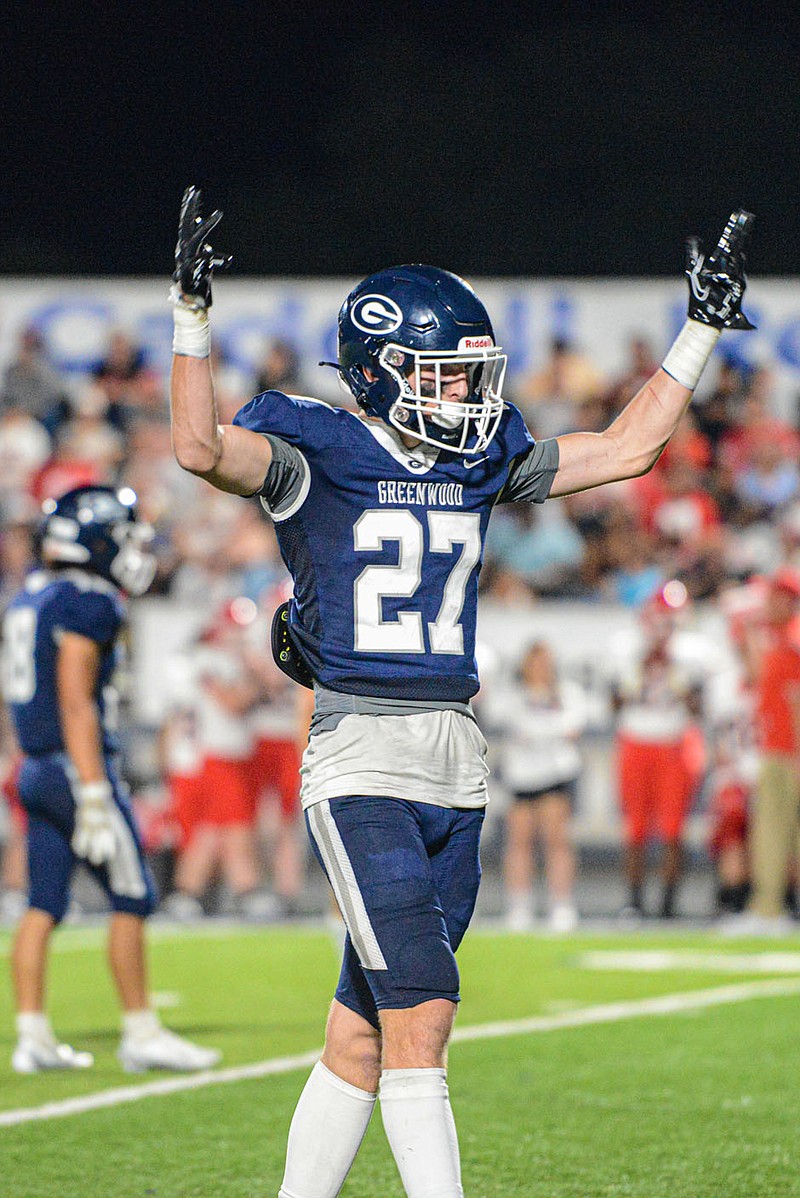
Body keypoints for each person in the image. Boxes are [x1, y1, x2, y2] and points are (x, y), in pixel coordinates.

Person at [168, 185, 754, 1197]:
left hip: (456, 754)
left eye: (467, 373)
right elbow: (200, 448)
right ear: (377, 373)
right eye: (439, 373)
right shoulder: (321, 452)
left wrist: (697, 330)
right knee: (424, 1007)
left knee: (360, 1032)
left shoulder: (477, 457)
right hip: (362, 754)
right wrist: (191, 319)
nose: (461, 392)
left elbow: (625, 449)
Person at [1, 484, 221, 1074]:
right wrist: (95, 791)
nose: (133, 546)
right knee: (133, 894)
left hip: (36, 764)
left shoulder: (33, 595)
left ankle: (33, 1035)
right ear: (95, 540)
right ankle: (142, 1031)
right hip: (77, 768)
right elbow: (75, 701)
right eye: (123, 535)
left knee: (42, 903)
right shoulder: (89, 598)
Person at [610, 581, 709, 920]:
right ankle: (635, 899)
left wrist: (674, 674)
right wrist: (641, 669)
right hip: (636, 739)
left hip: (675, 742)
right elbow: (613, 702)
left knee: (673, 828)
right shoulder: (626, 646)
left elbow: (699, 706)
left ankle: (668, 901)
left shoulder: (693, 651)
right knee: (635, 827)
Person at [491, 640, 587, 932]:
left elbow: (572, 727)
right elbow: (500, 717)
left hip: (556, 774)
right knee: (519, 841)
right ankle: (520, 904)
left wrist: (536, 731)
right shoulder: (513, 695)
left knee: (557, 840)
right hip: (521, 775)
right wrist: (543, 730)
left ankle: (561, 904)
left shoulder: (568, 693)